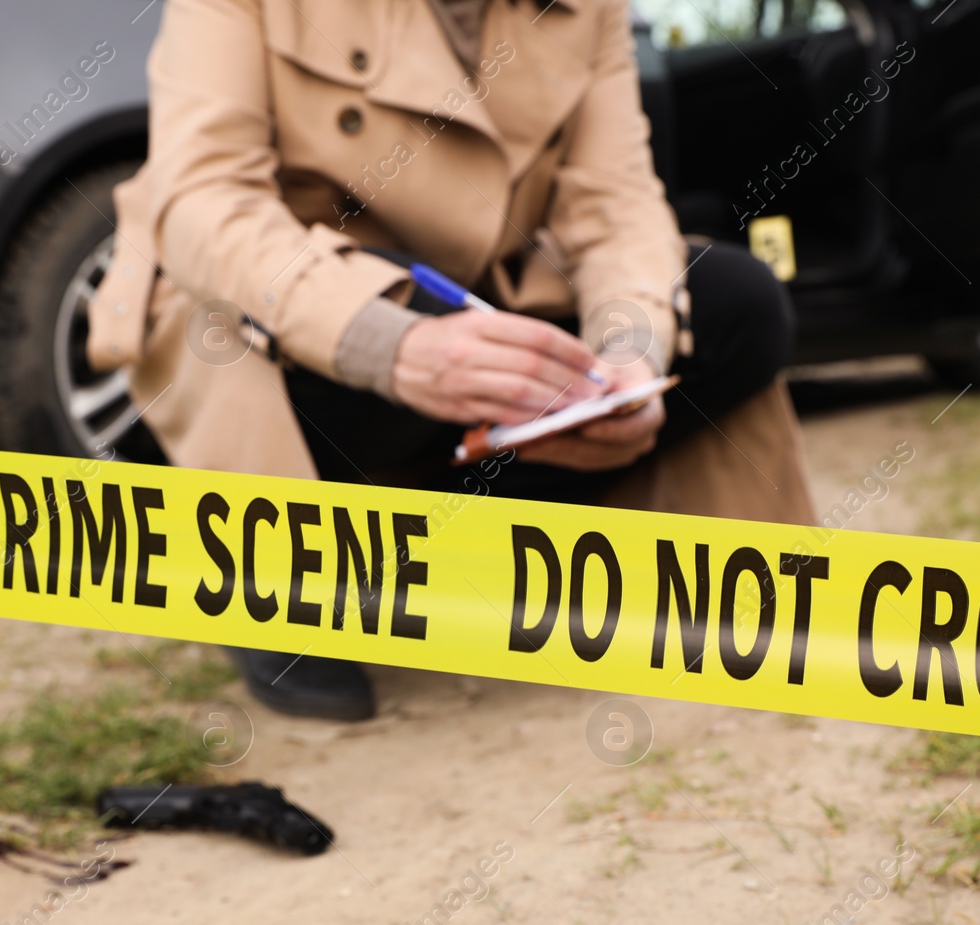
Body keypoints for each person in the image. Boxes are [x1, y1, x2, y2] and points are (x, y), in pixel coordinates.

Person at [88, 0, 816, 721]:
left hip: (481, 294)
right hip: (279, 307)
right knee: (400, 326)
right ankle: (263, 542)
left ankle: (464, 554)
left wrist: (624, 357)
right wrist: (387, 344)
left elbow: (616, 202)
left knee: (740, 304)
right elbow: (205, 200)